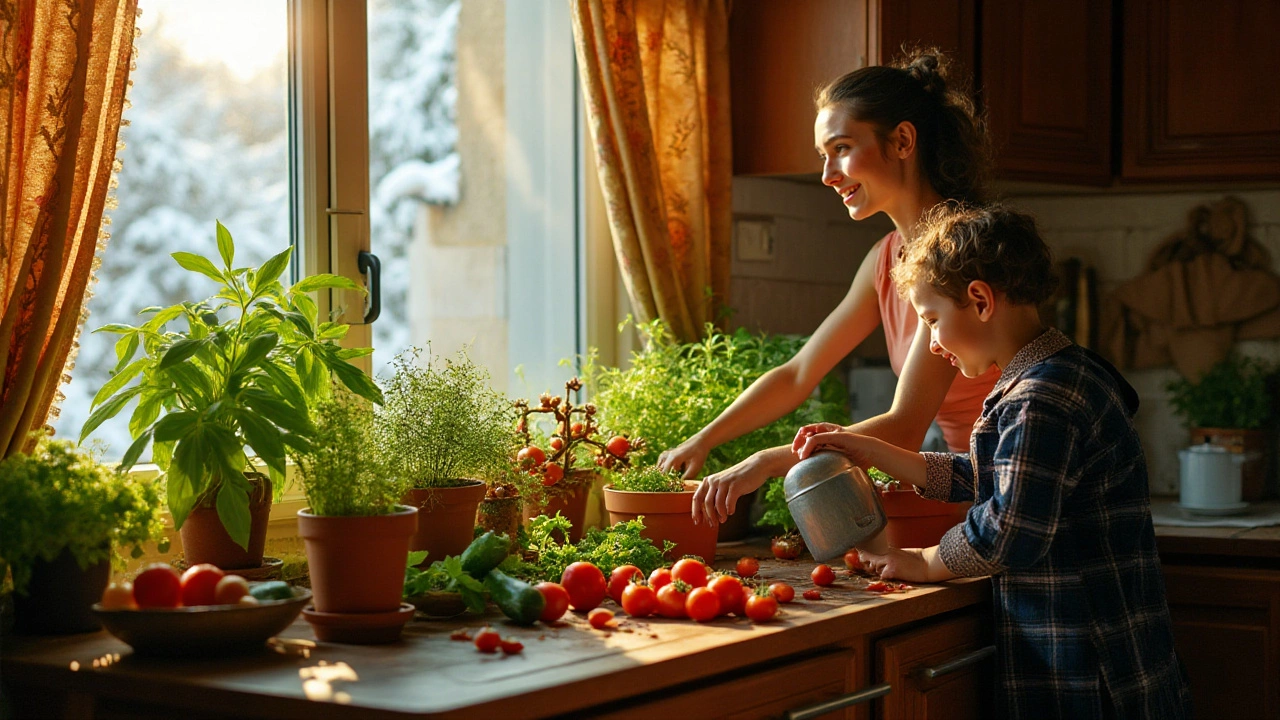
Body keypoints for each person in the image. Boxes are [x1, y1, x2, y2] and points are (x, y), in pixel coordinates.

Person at [793, 204, 1192, 718]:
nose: (933, 344)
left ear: (980, 300)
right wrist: (873, 450)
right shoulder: (1052, 375)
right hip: (1105, 657)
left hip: (1092, 671)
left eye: (932, 320)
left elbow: (1009, 530)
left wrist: (926, 561)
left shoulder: (1042, 398)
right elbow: (985, 476)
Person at [657, 49, 1000, 527]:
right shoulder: (887, 257)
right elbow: (799, 373)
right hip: (971, 484)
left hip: (1010, 485)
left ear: (902, 140)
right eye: (824, 155)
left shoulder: (959, 252)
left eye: (841, 148)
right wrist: (704, 439)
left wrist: (767, 462)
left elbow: (903, 427)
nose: (827, 175)